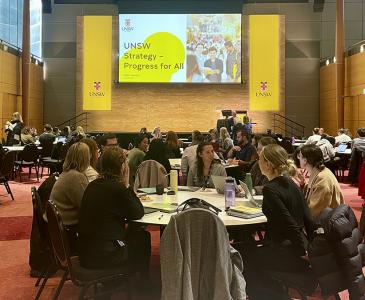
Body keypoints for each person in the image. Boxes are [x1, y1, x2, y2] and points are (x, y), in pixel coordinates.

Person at [242, 144, 315, 299]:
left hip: (287, 253)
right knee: (250, 251)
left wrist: (304, 252)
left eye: (260, 158)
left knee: (242, 257)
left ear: (267, 164)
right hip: (297, 249)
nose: (258, 161)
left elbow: (289, 224)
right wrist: (311, 249)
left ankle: (269, 295)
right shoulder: (292, 184)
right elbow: (308, 219)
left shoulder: (270, 189)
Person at [78, 147, 150, 276]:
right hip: (106, 255)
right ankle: (141, 284)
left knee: (134, 234)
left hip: (85, 252)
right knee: (143, 238)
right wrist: (127, 184)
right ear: (123, 167)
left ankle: (127, 280)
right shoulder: (118, 189)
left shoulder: (93, 185)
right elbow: (138, 212)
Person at [49, 142, 90, 250]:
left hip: (57, 223)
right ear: (85, 158)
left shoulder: (68, 172)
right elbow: (86, 206)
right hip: (67, 227)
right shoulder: (76, 177)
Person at [296, 144, 344, 220]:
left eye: (299, 156)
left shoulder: (322, 179)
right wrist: (303, 184)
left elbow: (315, 212)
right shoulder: (319, 172)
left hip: (327, 224)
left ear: (305, 160)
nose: (298, 159)